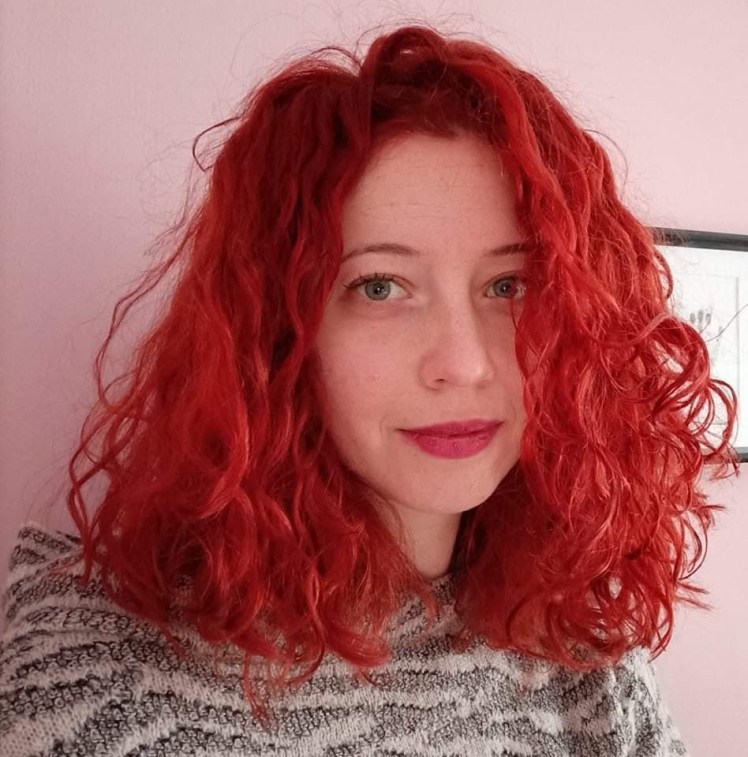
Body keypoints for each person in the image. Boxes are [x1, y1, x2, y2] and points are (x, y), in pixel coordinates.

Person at [0, 22, 739, 756]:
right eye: (380, 286)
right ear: (276, 333)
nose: (464, 364)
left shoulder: (587, 652)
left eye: (509, 285)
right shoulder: (98, 675)